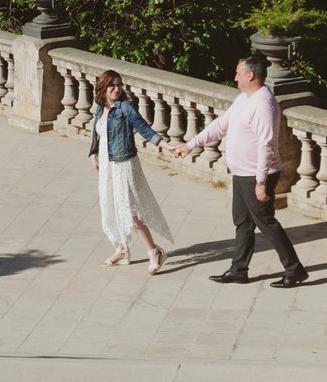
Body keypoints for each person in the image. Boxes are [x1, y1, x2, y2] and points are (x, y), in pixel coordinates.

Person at [169, 54, 308, 288]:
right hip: (242, 174)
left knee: (266, 223)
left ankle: (295, 270)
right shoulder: (244, 98)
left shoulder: (263, 104)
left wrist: (261, 182)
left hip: (256, 175)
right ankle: (238, 270)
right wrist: (190, 144)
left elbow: (266, 144)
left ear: (251, 75)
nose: (235, 77)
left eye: (238, 73)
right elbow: (220, 125)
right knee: (242, 222)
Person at [88, 70, 173, 273]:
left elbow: (144, 128)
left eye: (119, 85)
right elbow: (97, 134)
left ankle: (155, 252)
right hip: (108, 165)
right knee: (111, 207)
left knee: (130, 212)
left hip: (124, 165)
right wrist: (94, 155)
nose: (117, 89)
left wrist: (166, 146)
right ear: (103, 88)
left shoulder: (125, 108)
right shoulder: (101, 109)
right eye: (112, 86)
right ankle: (122, 250)